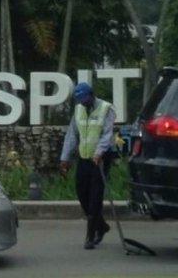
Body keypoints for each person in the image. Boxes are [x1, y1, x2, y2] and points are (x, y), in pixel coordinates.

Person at [60, 82, 116, 250]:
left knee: (95, 198)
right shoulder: (78, 110)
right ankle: (102, 226)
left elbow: (107, 134)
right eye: (80, 100)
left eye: (85, 99)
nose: (83, 102)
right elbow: (72, 135)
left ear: (92, 95)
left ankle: (90, 236)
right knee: (82, 194)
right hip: (84, 157)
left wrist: (99, 153)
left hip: (101, 158)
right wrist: (65, 158)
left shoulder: (106, 109)